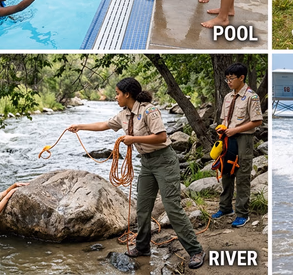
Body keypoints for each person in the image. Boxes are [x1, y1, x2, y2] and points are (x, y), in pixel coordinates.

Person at [67, 77, 204, 269]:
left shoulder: (149, 110)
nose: (116, 97)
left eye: (117, 94)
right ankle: (142, 247)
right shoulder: (123, 114)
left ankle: (195, 250)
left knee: (172, 208)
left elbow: (162, 137)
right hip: (147, 163)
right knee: (142, 208)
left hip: (164, 160)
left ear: (127, 94)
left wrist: (133, 139)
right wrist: (80, 127)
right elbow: (104, 125)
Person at [211, 63, 263, 227]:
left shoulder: (251, 96)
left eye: (231, 78)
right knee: (225, 171)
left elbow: (257, 121)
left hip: (244, 140)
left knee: (242, 175)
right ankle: (225, 207)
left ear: (242, 77)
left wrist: (236, 130)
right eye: (227, 79)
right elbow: (224, 118)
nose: (228, 82)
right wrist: (224, 128)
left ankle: (242, 213)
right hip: (228, 138)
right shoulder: (227, 97)